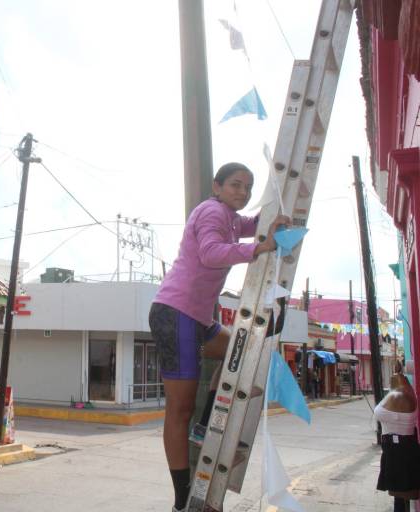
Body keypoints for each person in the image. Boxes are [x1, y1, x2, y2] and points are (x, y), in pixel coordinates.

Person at [149, 162, 289, 512]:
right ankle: (182, 492)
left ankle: (208, 412)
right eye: (235, 185)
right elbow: (211, 254)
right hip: (176, 313)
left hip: (199, 318)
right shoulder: (211, 212)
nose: (242, 192)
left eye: (248, 187)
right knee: (178, 409)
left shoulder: (229, 216)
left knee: (240, 351)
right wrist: (260, 247)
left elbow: (252, 223)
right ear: (217, 186)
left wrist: (276, 210)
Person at [375, 363, 420, 512]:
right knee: (399, 495)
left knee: (401, 492)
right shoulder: (402, 391)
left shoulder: (400, 395)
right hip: (396, 448)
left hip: (400, 450)